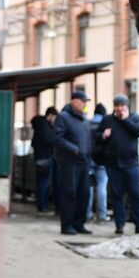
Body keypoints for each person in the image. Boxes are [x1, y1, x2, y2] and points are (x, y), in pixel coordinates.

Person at [97, 94, 139, 235]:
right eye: (117, 106)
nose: (119, 109)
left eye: (122, 106)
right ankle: (119, 225)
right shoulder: (107, 120)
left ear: (127, 106)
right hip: (113, 165)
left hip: (131, 164)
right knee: (117, 195)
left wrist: (125, 120)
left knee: (136, 194)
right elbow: (96, 136)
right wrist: (103, 135)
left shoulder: (135, 118)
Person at [54, 90, 93, 235]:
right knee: (69, 194)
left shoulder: (84, 119)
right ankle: (67, 225)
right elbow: (58, 139)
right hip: (69, 162)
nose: (84, 105)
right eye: (83, 102)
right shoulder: (63, 117)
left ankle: (79, 224)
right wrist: (75, 149)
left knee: (84, 194)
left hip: (84, 162)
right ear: (74, 101)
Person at [31, 106, 59, 214]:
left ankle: (41, 205)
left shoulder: (39, 125)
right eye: (55, 117)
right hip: (45, 157)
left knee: (41, 182)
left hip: (39, 157)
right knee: (45, 183)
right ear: (51, 115)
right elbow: (49, 140)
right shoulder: (44, 125)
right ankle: (43, 207)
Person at [87, 103, 110, 222]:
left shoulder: (88, 124)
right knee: (102, 187)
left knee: (89, 187)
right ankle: (102, 214)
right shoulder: (106, 125)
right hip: (102, 161)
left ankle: (87, 213)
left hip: (89, 160)